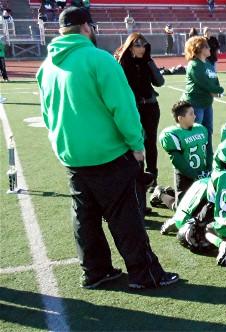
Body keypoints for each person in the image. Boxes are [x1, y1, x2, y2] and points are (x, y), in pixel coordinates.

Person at [36, 7, 178, 290]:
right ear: (87, 27)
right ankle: (145, 274)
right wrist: (136, 145)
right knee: (126, 218)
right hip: (108, 155)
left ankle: (95, 271)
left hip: (73, 156)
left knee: (85, 218)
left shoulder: (47, 66)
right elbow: (123, 108)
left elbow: (48, 115)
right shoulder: (98, 59)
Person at [114, 33, 165, 207]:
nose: (141, 48)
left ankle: (152, 178)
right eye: (137, 45)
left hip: (150, 106)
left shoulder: (147, 62)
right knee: (135, 144)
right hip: (133, 109)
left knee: (150, 143)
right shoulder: (121, 63)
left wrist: (149, 62)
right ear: (130, 46)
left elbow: (160, 82)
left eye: (144, 45)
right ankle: (138, 180)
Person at [152, 101, 210, 210]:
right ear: (180, 118)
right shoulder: (172, 134)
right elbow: (177, 160)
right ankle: (160, 193)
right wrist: (195, 175)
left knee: (205, 203)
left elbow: (208, 151)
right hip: (184, 174)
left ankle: (170, 192)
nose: (195, 116)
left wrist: (209, 168)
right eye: (191, 114)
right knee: (183, 209)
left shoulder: (201, 129)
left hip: (201, 171)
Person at [182, 35, 223, 162]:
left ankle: (208, 156)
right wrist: (219, 90)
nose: (209, 48)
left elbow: (215, 81)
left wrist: (217, 89)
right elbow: (205, 84)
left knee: (208, 131)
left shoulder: (209, 64)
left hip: (207, 104)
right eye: (206, 46)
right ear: (198, 49)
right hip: (195, 105)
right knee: (195, 133)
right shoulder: (194, 65)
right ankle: (194, 158)